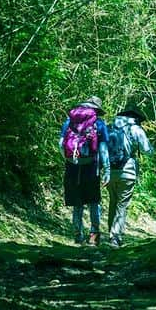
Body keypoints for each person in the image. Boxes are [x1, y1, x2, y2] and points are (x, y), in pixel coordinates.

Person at [59, 95, 109, 245]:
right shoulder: (99, 124)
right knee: (94, 201)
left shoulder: (68, 122)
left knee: (77, 202)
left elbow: (61, 143)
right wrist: (106, 169)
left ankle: (77, 235)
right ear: (96, 110)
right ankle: (93, 236)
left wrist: (69, 159)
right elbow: (103, 149)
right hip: (91, 167)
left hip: (72, 166)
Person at [106, 107, 153, 248]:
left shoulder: (110, 127)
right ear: (136, 117)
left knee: (113, 202)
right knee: (122, 205)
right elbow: (147, 150)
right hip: (127, 171)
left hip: (109, 171)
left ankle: (111, 234)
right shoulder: (136, 129)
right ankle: (115, 237)